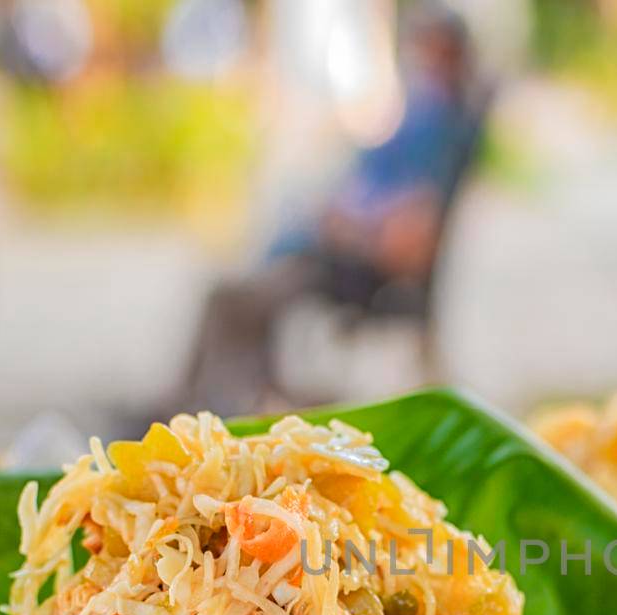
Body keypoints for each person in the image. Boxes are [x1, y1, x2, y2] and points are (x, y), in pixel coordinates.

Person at [181, 5, 478, 416]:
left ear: (443, 50)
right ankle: (207, 405)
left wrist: (345, 226)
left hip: (350, 268)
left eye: (421, 42)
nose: (412, 50)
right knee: (236, 294)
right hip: (329, 252)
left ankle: (208, 411)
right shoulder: (425, 112)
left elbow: (408, 238)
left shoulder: (436, 123)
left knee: (230, 298)